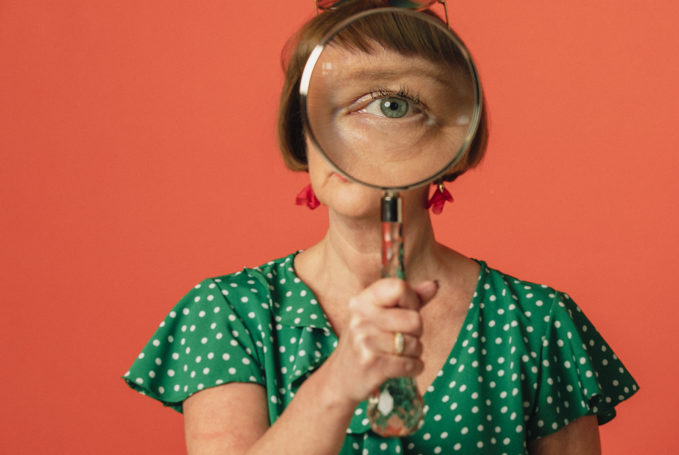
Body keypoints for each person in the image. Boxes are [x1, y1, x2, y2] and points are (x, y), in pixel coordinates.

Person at [122, 1, 638, 454]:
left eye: (390, 105)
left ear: (453, 141)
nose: (336, 138)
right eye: (318, 105)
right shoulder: (229, 314)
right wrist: (336, 384)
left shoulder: (537, 325)